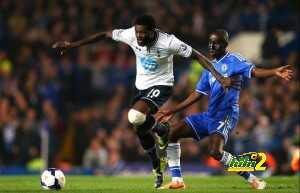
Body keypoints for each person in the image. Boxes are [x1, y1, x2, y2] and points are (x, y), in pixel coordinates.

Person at [52, 15, 236, 188]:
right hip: (141, 88)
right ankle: (157, 165)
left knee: (135, 115)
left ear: (153, 31)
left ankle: (161, 129)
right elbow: (104, 34)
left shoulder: (168, 42)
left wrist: (219, 77)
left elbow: (198, 56)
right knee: (139, 127)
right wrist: (72, 45)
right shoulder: (131, 34)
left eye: (143, 32)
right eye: (137, 32)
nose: (139, 36)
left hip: (162, 85)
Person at [156, 29, 293, 189]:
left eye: (216, 43)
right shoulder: (209, 67)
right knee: (172, 133)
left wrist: (274, 71)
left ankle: (252, 178)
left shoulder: (234, 60)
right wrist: (173, 110)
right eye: (210, 43)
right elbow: (197, 94)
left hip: (226, 115)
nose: (212, 46)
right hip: (210, 115)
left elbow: (254, 71)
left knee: (215, 152)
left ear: (225, 45)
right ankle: (177, 180)